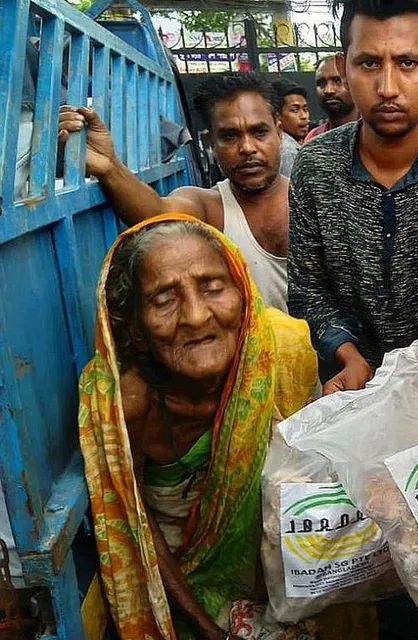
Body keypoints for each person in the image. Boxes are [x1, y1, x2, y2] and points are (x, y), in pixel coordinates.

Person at [78, 215, 320, 639]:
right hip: (181, 579)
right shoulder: (127, 399)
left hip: (281, 566)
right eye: (164, 299)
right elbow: (136, 525)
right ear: (137, 330)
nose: (194, 316)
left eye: (212, 288)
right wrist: (206, 630)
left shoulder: (282, 353)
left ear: (244, 295)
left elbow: (310, 484)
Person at [288, 0, 418, 397]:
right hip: (342, 388)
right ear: (344, 68)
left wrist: (406, 387)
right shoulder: (315, 167)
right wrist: (347, 355)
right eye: (368, 63)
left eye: (407, 63)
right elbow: (308, 289)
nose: (387, 87)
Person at [58, 73, 291, 312]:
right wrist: (109, 166)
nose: (247, 148)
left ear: (279, 132)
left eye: (259, 132)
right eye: (230, 136)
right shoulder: (209, 207)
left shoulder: (311, 198)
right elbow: (157, 213)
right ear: (211, 143)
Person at [304, 56, 360, 142]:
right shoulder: (313, 138)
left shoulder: (375, 133)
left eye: (338, 81)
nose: (328, 90)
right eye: (321, 83)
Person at [272, 78, 310, 176]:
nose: (304, 116)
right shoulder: (288, 151)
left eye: (305, 109)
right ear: (277, 116)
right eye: (294, 110)